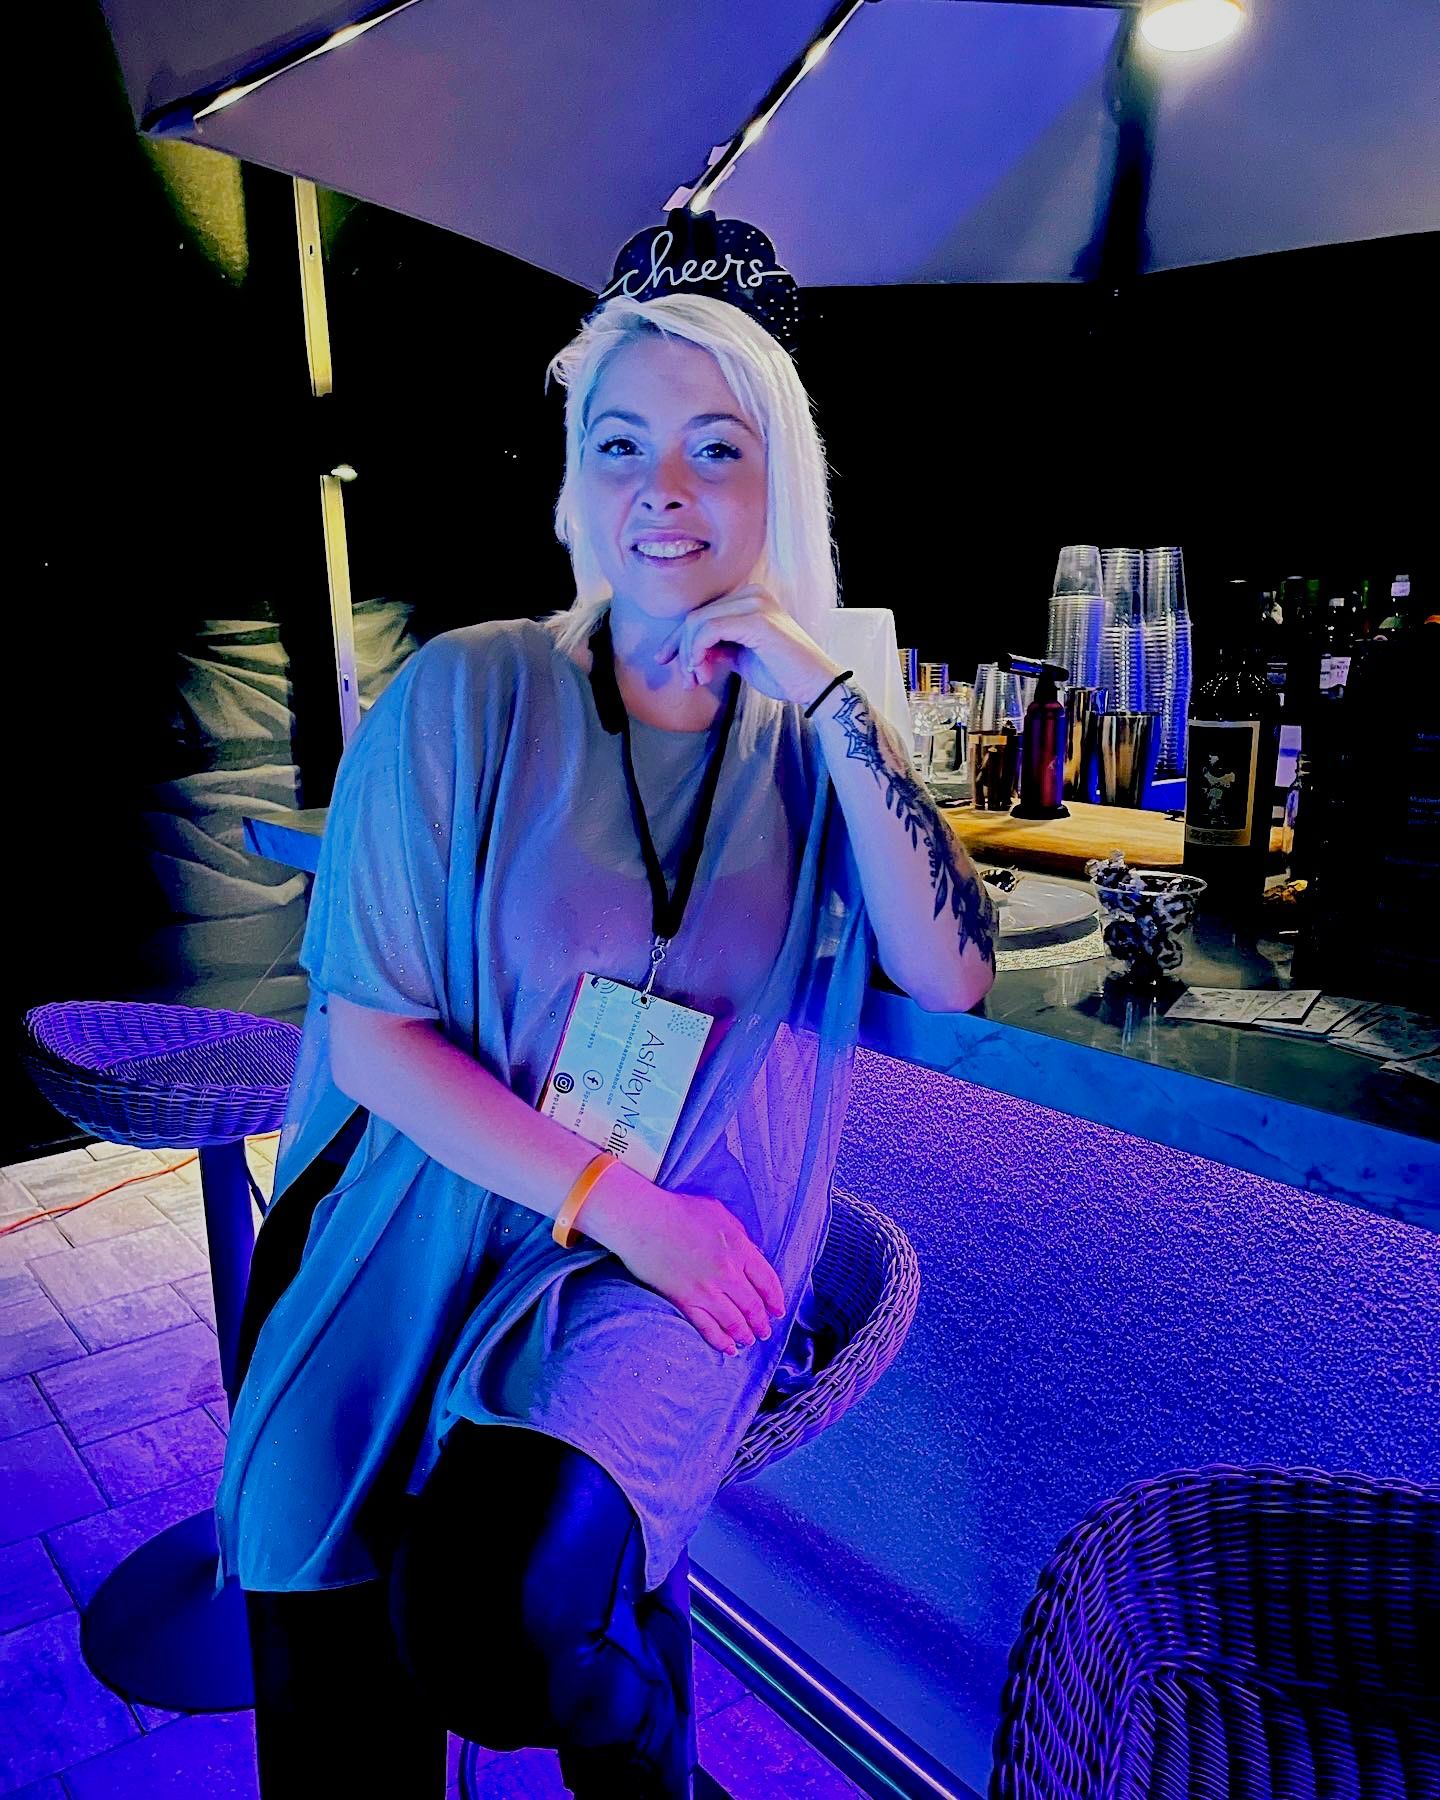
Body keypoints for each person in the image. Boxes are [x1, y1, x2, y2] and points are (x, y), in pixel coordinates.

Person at [217, 213, 999, 1799]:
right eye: (622, 441)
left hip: (674, 1248)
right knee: (332, 1673)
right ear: (575, 476)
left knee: (494, 1622)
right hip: (434, 1208)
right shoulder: (465, 691)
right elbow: (370, 1036)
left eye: (718, 447)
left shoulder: (808, 740)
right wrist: (609, 1201)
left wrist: (833, 690)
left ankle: (654, 1757)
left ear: (780, 480)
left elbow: (954, 967)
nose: (666, 488)